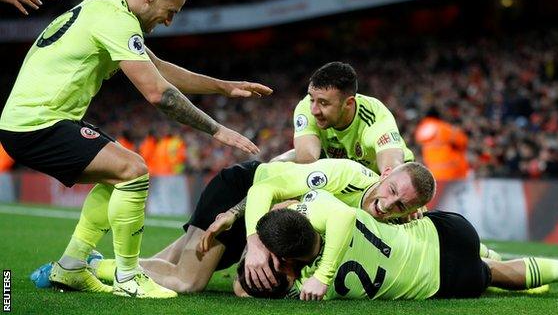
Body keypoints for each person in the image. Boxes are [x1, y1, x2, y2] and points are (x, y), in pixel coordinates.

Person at [0, 0, 271, 299]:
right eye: (170, 11)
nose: (169, 21)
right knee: (133, 170)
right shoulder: (117, 20)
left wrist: (224, 88)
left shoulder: (103, 9)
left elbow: (160, 68)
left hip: (35, 121)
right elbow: (159, 93)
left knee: (117, 174)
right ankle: (129, 278)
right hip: (37, 123)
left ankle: (70, 267)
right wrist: (216, 130)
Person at [40, 158, 433, 293]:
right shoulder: (345, 175)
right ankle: (80, 269)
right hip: (242, 194)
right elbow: (267, 186)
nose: (390, 204)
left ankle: (87, 263)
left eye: (403, 206)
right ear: (386, 174)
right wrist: (256, 241)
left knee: (171, 262)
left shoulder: (390, 215)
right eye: (393, 190)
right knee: (187, 281)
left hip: (256, 212)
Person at [239, 190, 558, 300]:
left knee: (498, 275)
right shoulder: (323, 208)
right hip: (444, 231)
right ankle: (488, 250)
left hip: (440, 278)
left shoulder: (308, 289)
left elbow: (247, 288)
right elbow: (338, 216)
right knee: (484, 256)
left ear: (286, 259)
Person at [273, 61, 414, 174]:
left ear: (348, 103)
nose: (314, 110)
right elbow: (306, 160)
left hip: (381, 179)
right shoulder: (306, 108)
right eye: (311, 99)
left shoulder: (375, 118)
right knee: (276, 164)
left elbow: (392, 171)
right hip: (341, 178)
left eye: (324, 103)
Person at [414, 107, 470, 181]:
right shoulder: (443, 128)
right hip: (451, 172)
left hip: (433, 172)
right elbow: (463, 141)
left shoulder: (421, 130)